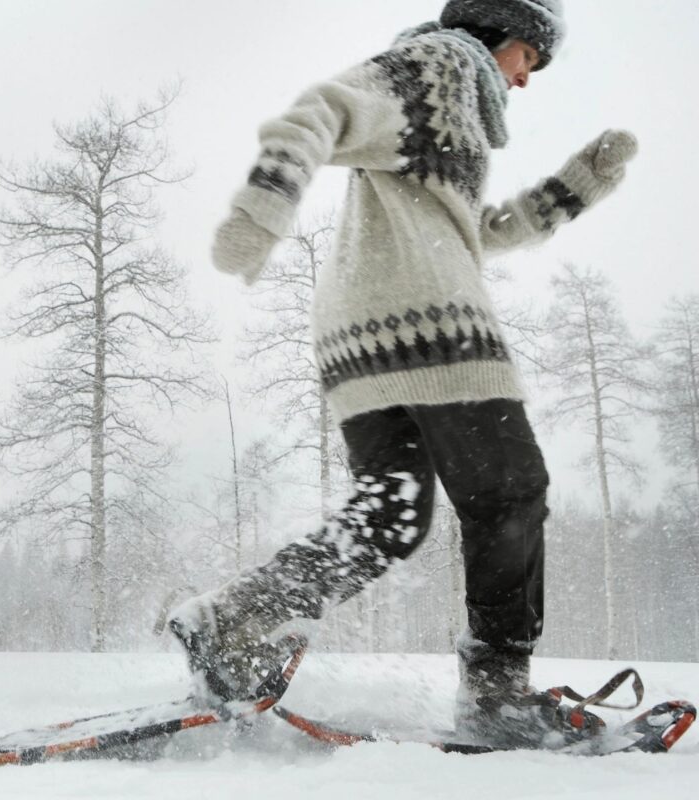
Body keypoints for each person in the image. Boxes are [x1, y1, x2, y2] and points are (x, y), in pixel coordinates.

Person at [169, 0, 637, 748]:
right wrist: (262, 212)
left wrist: (572, 189)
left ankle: (238, 617)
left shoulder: (445, 112)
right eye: (529, 61)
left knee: (390, 514)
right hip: (433, 326)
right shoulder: (444, 65)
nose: (525, 81)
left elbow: (471, 232)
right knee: (508, 492)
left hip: (359, 335)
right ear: (503, 35)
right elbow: (322, 110)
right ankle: (497, 697)